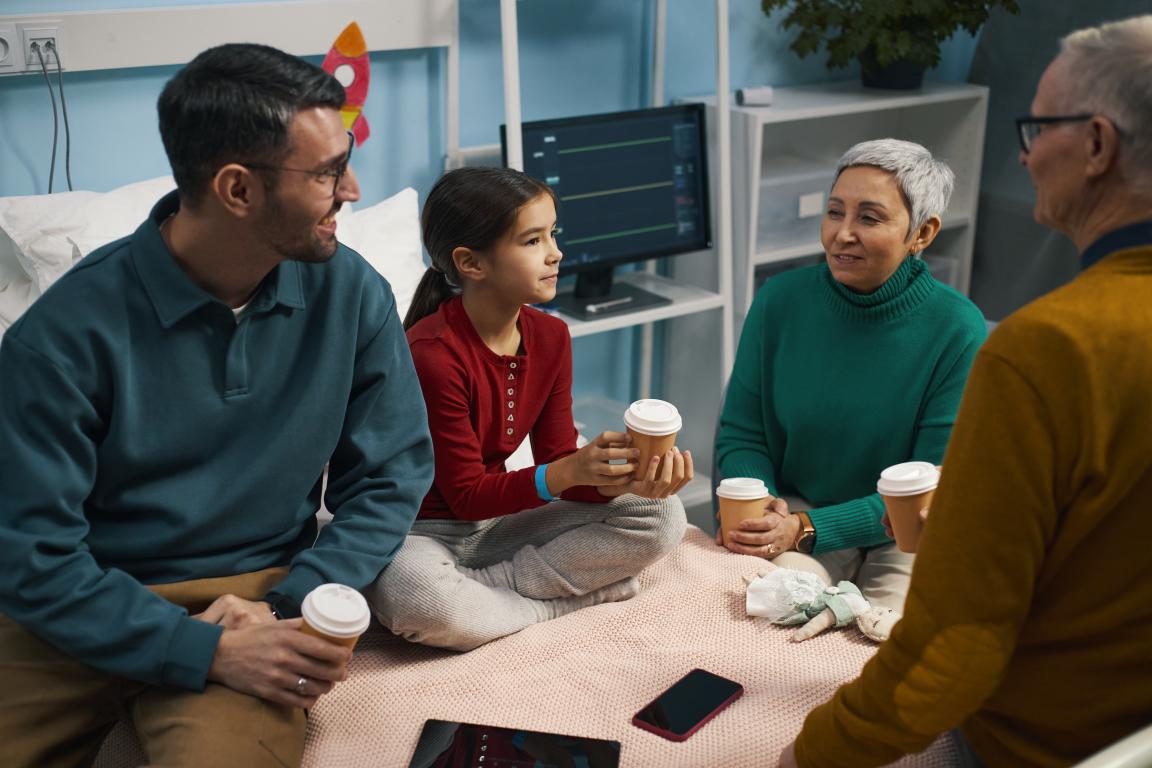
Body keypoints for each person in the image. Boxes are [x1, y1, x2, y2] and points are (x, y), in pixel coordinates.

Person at [0, 44, 434, 767]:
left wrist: (291, 605)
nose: (353, 188)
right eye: (328, 172)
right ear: (238, 190)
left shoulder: (353, 295)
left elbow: (391, 475)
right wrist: (197, 647)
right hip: (82, 602)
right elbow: (32, 557)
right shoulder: (61, 338)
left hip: (264, 594)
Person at [781, 14, 1152, 768]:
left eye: (1037, 125)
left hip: (1044, 740)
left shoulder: (1044, 347)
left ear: (1097, 146)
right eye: (835, 212)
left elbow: (953, 647)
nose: (1022, 151)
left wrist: (810, 753)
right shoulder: (784, 304)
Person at [366, 167, 689, 651]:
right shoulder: (431, 354)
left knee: (663, 514)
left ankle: (494, 595)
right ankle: (556, 603)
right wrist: (564, 472)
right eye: (533, 240)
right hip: (423, 532)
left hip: (498, 524)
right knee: (420, 603)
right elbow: (466, 497)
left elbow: (558, 456)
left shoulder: (551, 337)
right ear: (471, 263)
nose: (556, 253)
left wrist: (615, 479)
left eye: (553, 234)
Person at [714, 139, 986, 613]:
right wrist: (760, 509)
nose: (842, 233)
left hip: (900, 531)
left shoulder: (957, 328)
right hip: (794, 507)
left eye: (869, 217)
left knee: (883, 643)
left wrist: (808, 529)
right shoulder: (779, 301)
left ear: (922, 233)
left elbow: (933, 485)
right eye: (835, 212)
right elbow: (743, 433)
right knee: (769, 612)